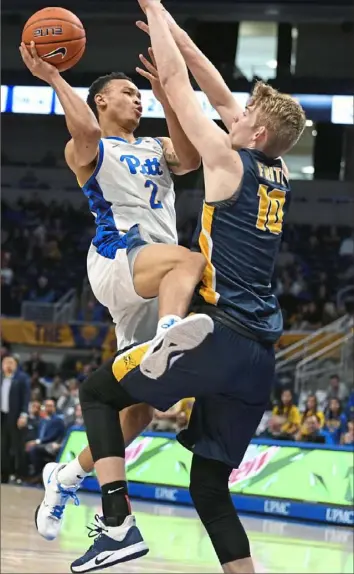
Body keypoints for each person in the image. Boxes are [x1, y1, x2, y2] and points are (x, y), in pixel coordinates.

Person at [70, 1, 306, 572]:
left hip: (219, 335)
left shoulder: (226, 158)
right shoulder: (276, 171)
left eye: (244, 112)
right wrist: (171, 29)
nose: (233, 112)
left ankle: (116, 524)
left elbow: (179, 83)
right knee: (209, 489)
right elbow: (214, 85)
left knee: (100, 394)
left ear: (257, 130)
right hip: (260, 358)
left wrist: (152, 4)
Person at [19, 39, 205, 540]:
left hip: (156, 276)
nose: (136, 98)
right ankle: (170, 329)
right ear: (101, 101)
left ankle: (65, 478)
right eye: (128, 92)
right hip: (119, 259)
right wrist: (56, 78)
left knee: (137, 410)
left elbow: (188, 159)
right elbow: (81, 128)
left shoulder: (152, 147)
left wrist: (168, 99)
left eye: (138, 93)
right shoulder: (89, 147)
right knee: (192, 259)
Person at [1, 355, 30, 483]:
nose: (8, 365)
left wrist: (24, 414)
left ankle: (20, 475)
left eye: (11, 362)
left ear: (16, 365)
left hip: (16, 417)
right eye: (5, 362)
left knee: (17, 447)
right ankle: (4, 475)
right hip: (2, 417)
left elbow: (26, 397)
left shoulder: (22, 378)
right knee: (3, 447)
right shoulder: (1, 377)